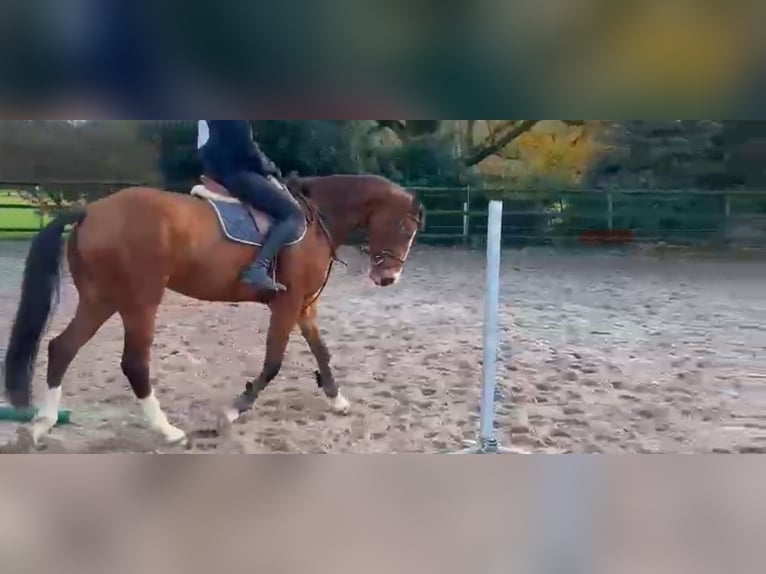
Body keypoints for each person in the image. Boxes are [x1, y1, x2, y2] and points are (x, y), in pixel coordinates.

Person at [197, 120, 304, 292]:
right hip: (236, 173)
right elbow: (244, 146)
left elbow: (204, 147)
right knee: (293, 215)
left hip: (216, 171)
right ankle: (258, 268)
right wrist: (268, 168)